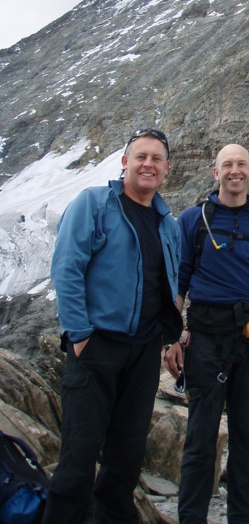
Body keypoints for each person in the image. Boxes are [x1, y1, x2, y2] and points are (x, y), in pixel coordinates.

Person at [43, 128, 183, 524]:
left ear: (166, 169)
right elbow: (67, 268)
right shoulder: (94, 203)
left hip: (142, 354)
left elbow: (167, 284)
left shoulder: (166, 223)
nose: (148, 164)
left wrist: (171, 338)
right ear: (125, 162)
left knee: (125, 461)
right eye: (140, 156)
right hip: (96, 348)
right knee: (77, 460)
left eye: (156, 159)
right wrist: (80, 335)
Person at [165, 144, 249, 524]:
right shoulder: (192, 219)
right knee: (200, 436)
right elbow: (179, 280)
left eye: (240, 165)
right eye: (226, 165)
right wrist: (172, 337)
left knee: (245, 438)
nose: (234, 171)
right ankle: (191, 518)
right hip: (205, 337)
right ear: (215, 172)